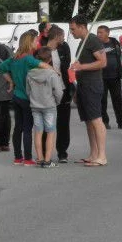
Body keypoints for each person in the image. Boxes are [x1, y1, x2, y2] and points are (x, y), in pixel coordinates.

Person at [0, 30, 52, 166]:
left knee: (18, 127)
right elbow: (44, 65)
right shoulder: (29, 59)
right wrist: (55, 71)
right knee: (27, 128)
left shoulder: (14, 58)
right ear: (30, 43)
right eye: (35, 41)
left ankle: (18, 157)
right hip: (27, 98)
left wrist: (11, 81)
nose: (37, 43)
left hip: (16, 96)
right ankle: (28, 158)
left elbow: (2, 67)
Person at [69, 15, 108, 167]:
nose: (71, 32)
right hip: (83, 85)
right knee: (88, 121)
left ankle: (102, 156)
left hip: (92, 85)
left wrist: (81, 67)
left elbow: (102, 62)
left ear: (81, 26)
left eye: (73, 29)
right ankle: (93, 154)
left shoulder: (93, 40)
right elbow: (86, 62)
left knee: (96, 119)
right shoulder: (83, 42)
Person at [26, 47, 64, 168]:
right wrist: (57, 101)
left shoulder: (30, 73)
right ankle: (48, 160)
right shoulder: (52, 74)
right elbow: (59, 91)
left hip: (35, 106)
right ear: (49, 60)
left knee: (38, 132)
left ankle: (40, 159)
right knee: (50, 132)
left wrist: (33, 99)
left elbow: (28, 91)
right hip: (49, 106)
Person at [44, 25, 74, 163]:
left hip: (62, 89)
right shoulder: (42, 51)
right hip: (47, 92)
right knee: (47, 122)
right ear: (56, 36)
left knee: (63, 122)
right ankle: (45, 152)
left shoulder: (64, 48)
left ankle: (62, 152)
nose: (64, 38)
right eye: (62, 36)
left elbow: (66, 65)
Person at [97, 25, 122, 130]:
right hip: (101, 77)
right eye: (98, 32)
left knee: (117, 100)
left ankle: (121, 122)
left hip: (115, 76)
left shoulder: (114, 42)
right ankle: (104, 122)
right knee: (102, 101)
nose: (98, 34)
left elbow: (119, 55)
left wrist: (121, 67)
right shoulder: (96, 44)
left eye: (101, 32)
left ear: (107, 33)